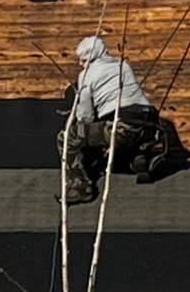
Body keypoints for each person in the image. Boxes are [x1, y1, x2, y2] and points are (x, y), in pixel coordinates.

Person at [57, 35, 160, 204]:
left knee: (68, 136)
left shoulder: (86, 75)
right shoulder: (123, 65)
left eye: (83, 60)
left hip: (121, 126)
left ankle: (80, 186)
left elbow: (86, 117)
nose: (80, 64)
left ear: (92, 56)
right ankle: (138, 159)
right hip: (150, 124)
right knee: (118, 136)